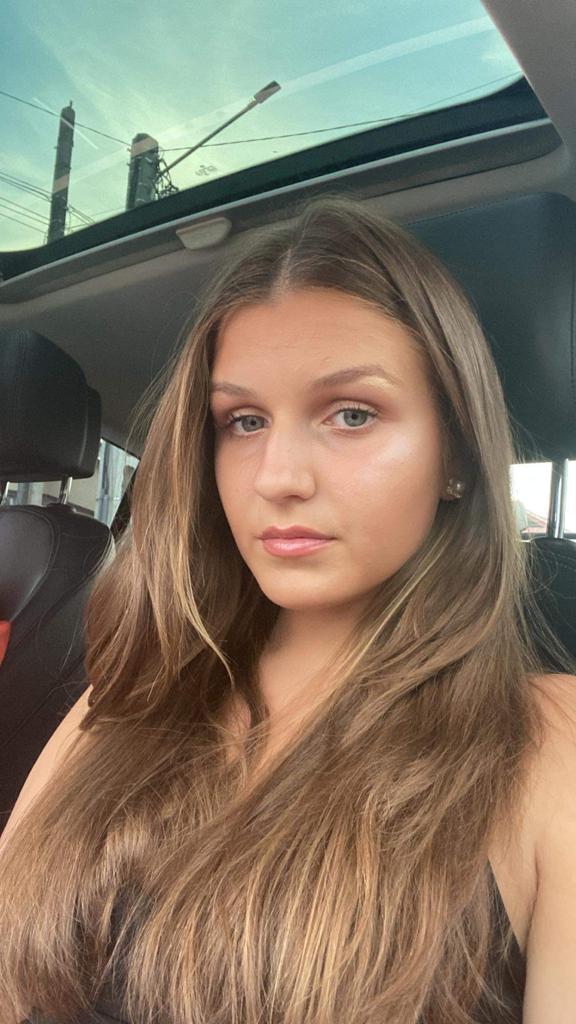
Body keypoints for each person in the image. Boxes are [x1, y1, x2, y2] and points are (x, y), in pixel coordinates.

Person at [0, 193, 574, 1024]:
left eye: (352, 414)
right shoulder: (126, 698)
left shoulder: (548, 745)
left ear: (454, 454)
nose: (277, 477)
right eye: (243, 421)